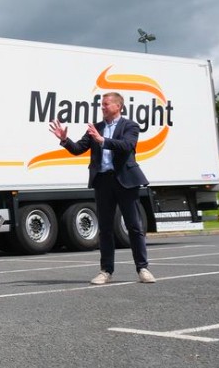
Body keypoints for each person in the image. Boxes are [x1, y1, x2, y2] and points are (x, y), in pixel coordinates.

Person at [49, 91, 156, 285]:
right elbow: (79, 149)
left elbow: (127, 145)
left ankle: (143, 268)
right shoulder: (96, 128)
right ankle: (106, 271)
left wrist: (103, 141)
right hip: (103, 181)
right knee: (105, 228)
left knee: (134, 226)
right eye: (102, 104)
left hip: (125, 181)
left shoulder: (130, 126)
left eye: (106, 104)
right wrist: (65, 140)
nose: (102, 107)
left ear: (118, 106)